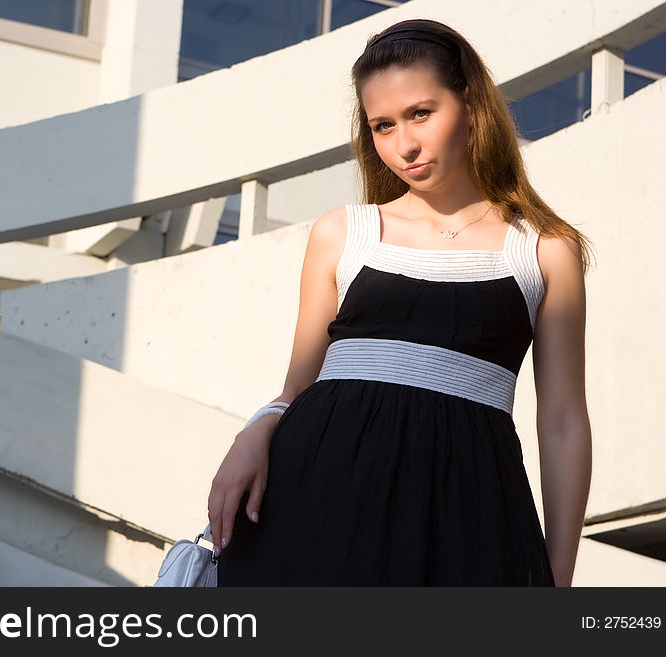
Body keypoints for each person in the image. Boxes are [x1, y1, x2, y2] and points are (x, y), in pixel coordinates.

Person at [206, 17, 593, 586]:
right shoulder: (343, 232)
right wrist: (254, 431)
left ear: (470, 104)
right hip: (315, 506)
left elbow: (562, 423)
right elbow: (296, 392)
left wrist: (559, 580)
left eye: (420, 113)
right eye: (382, 126)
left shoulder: (543, 251)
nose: (403, 144)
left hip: (470, 520)